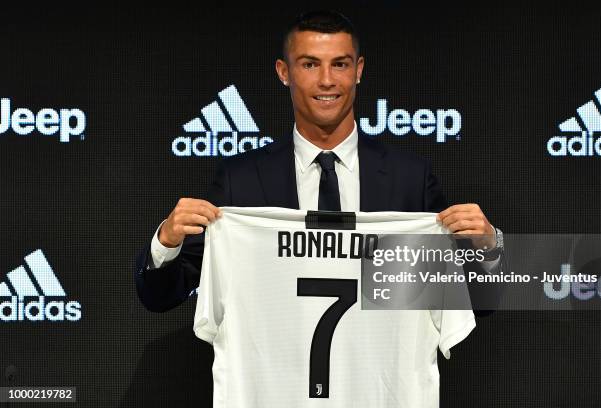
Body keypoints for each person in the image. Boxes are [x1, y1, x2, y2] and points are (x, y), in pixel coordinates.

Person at [135, 10, 502, 313]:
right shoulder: (240, 180)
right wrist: (166, 243)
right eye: (310, 64)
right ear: (284, 72)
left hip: (377, 389)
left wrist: (488, 249)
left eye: (339, 64)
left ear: (358, 70)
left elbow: (469, 301)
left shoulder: (410, 178)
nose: (327, 81)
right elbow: (161, 297)